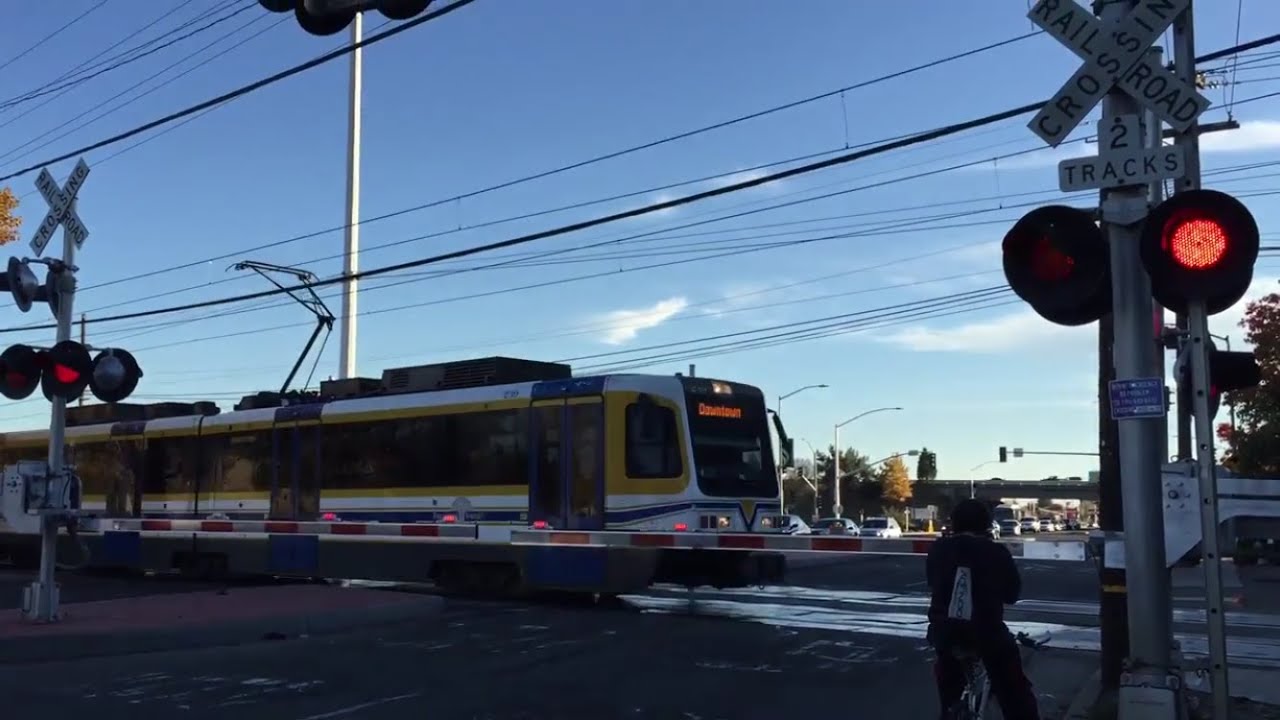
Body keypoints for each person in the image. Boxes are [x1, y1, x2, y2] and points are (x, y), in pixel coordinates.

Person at [926, 499, 1040, 720]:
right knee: (1015, 692)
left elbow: (933, 583)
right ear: (987, 524)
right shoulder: (996, 552)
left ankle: (951, 708)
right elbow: (1011, 595)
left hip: (945, 632)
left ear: (954, 523)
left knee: (948, 683)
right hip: (987, 634)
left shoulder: (938, 550)